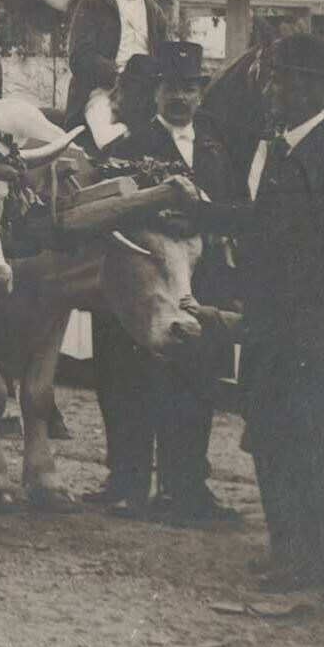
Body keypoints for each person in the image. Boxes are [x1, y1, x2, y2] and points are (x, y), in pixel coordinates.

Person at [234, 30, 324, 599]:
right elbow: (259, 226)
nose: (274, 89)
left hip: (306, 330)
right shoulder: (281, 150)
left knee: (312, 444)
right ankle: (287, 551)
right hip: (269, 324)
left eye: (284, 78)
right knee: (268, 435)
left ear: (317, 89)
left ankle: (322, 562)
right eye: (274, 77)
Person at [105, 39, 247, 523]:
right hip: (144, 284)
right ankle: (127, 482)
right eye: (170, 88)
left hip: (202, 282)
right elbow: (114, 215)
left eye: (189, 89)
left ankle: (187, 486)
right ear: (156, 91)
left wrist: (203, 222)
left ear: (201, 94)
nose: (180, 99)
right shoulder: (128, 147)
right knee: (132, 381)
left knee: (196, 382)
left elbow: (237, 210)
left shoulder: (216, 147)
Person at [66, 0, 176, 148]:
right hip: (104, 91)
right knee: (111, 139)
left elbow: (166, 58)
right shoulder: (92, 4)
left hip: (146, 94)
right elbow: (79, 57)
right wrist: (117, 75)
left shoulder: (155, 13)